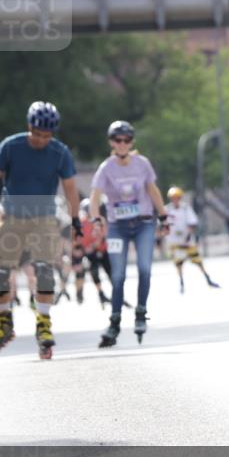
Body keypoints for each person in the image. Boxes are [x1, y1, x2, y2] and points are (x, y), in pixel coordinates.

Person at [0, 101, 80, 359]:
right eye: (36, 133)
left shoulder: (60, 152)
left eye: (46, 135)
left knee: (45, 272)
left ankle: (43, 326)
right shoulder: (11, 146)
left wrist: (76, 219)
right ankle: (5, 324)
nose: (41, 140)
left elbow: (69, 187)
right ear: (29, 127)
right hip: (12, 216)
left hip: (44, 218)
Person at [90, 120, 167, 347]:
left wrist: (163, 216)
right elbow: (95, 196)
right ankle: (114, 322)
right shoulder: (106, 168)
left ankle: (141, 313)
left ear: (131, 142)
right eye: (117, 140)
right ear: (111, 143)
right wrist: (96, 218)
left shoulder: (142, 164)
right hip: (117, 228)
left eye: (126, 140)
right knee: (118, 275)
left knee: (144, 268)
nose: (122, 144)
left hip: (143, 223)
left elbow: (153, 190)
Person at [164, 186, 221, 292]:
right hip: (174, 242)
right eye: (173, 198)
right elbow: (163, 225)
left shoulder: (185, 208)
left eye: (177, 197)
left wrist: (189, 234)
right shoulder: (167, 210)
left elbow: (192, 222)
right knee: (178, 263)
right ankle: (181, 283)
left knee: (198, 261)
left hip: (187, 241)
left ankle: (208, 279)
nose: (175, 200)